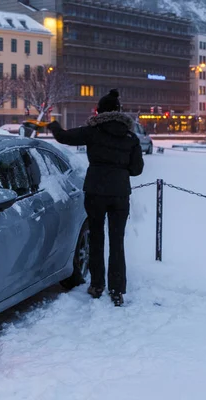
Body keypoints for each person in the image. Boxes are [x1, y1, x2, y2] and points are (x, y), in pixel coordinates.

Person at [46, 89, 144, 306]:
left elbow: (64, 137)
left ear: (100, 111)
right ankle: (117, 290)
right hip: (119, 194)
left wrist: (53, 126)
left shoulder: (93, 131)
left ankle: (97, 284)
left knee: (96, 238)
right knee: (117, 241)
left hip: (96, 192)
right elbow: (137, 169)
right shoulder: (131, 137)